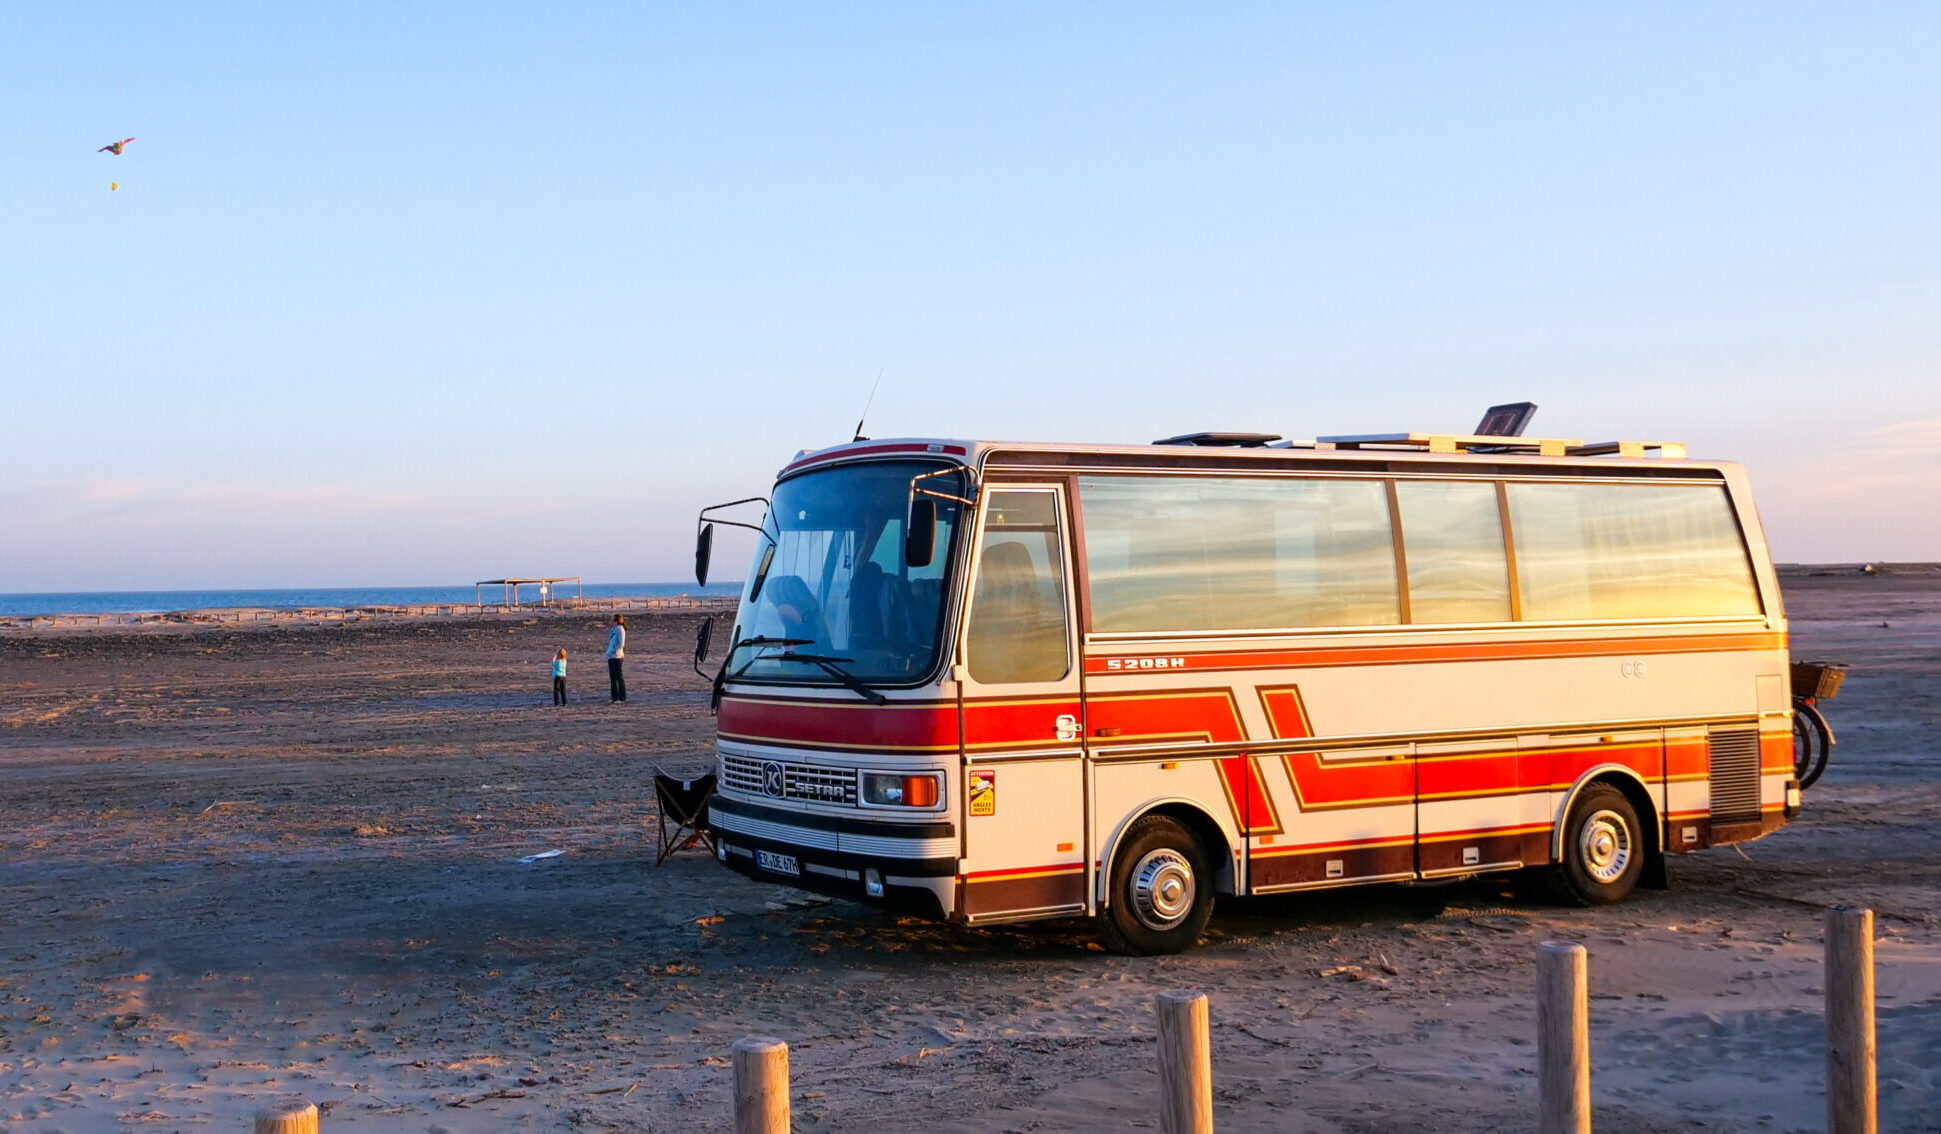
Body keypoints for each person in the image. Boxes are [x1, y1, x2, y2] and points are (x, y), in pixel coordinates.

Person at [605, 615, 627, 703]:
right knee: (612, 677)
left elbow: (621, 644)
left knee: (618, 677)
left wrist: (613, 650)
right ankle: (614, 697)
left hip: (617, 656)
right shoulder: (614, 629)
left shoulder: (620, 629)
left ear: (616, 621)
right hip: (611, 656)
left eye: (613, 620)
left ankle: (622, 697)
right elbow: (611, 639)